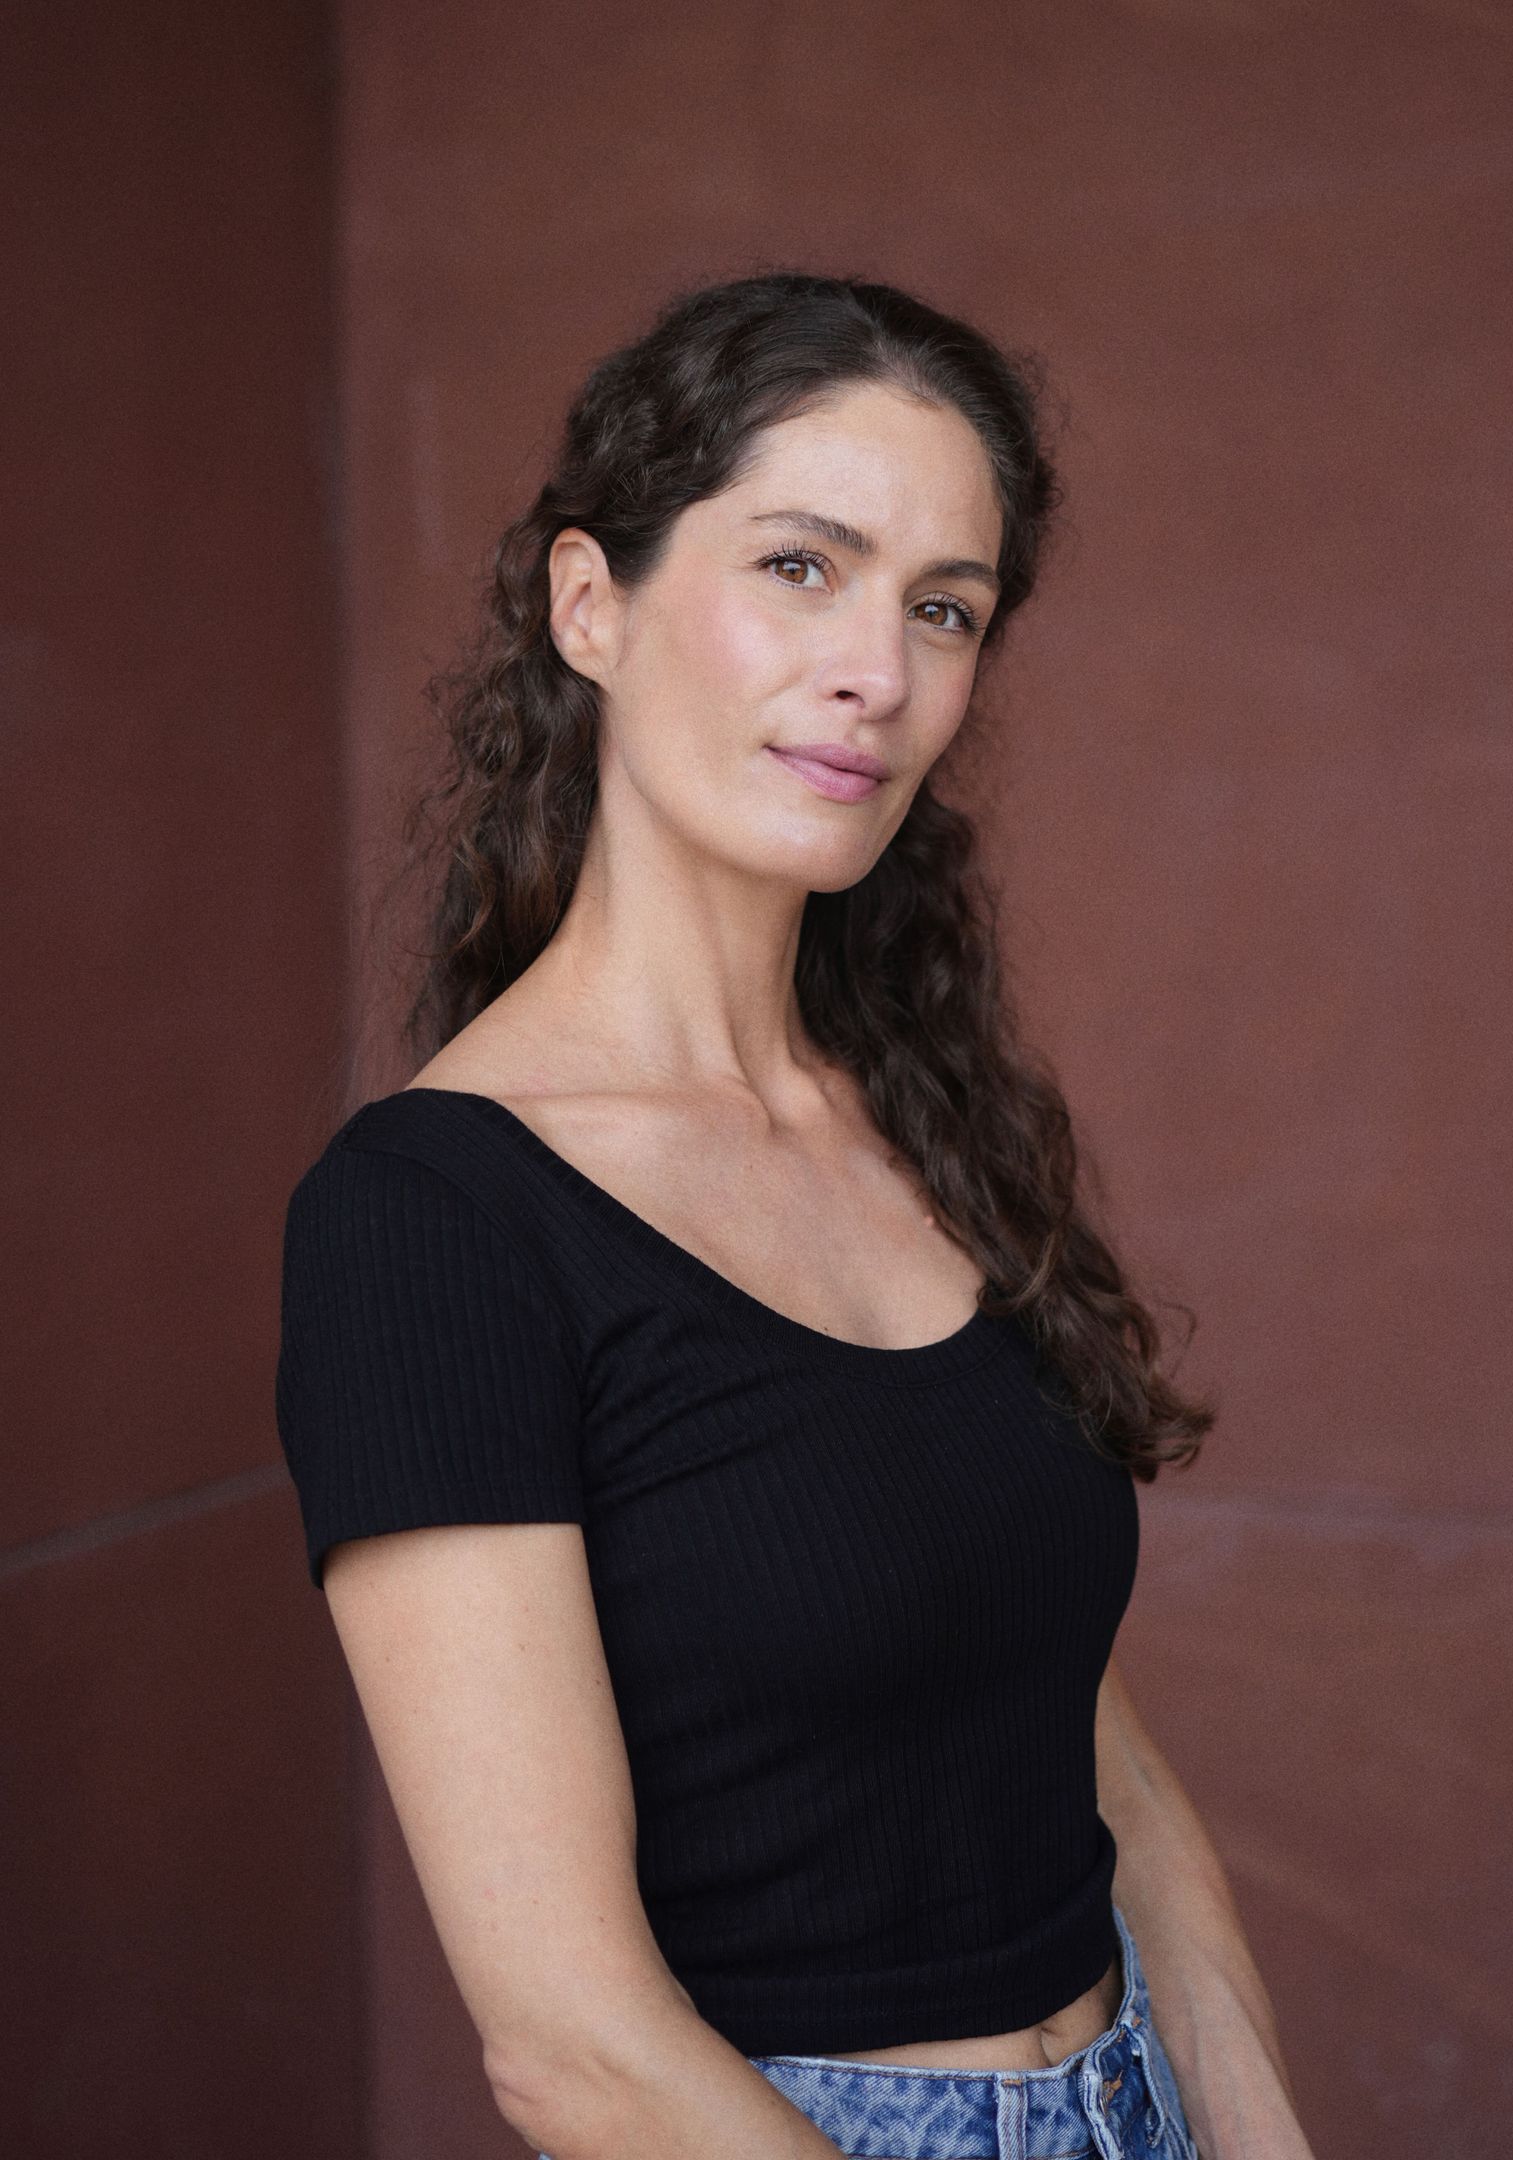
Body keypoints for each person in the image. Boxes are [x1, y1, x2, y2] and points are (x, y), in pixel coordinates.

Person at [275, 271, 1316, 2160]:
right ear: (590, 606)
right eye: (800, 568)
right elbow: (574, 2046)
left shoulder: (925, 1117)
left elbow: (1095, 1750)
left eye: (943, 608)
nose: (879, 674)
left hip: (1135, 2098)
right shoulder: (431, 1223)